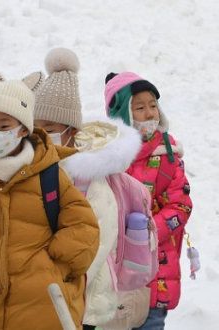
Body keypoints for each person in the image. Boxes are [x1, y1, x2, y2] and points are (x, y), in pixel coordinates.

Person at [0, 71, 99, 329]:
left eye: (4, 126)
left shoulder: (50, 176)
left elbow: (83, 226)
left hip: (43, 307)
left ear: (24, 128)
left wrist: (54, 268)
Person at [33, 48, 156, 329]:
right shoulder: (40, 168)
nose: (42, 134)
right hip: (49, 298)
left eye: (49, 127)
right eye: (35, 127)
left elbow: (98, 242)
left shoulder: (90, 178)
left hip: (84, 301)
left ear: (71, 131)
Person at [104, 72, 193, 330]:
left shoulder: (168, 155)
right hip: (116, 275)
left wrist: (147, 233)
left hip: (157, 272)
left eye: (153, 105)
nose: (150, 113)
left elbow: (181, 204)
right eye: (139, 107)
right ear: (122, 114)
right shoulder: (109, 156)